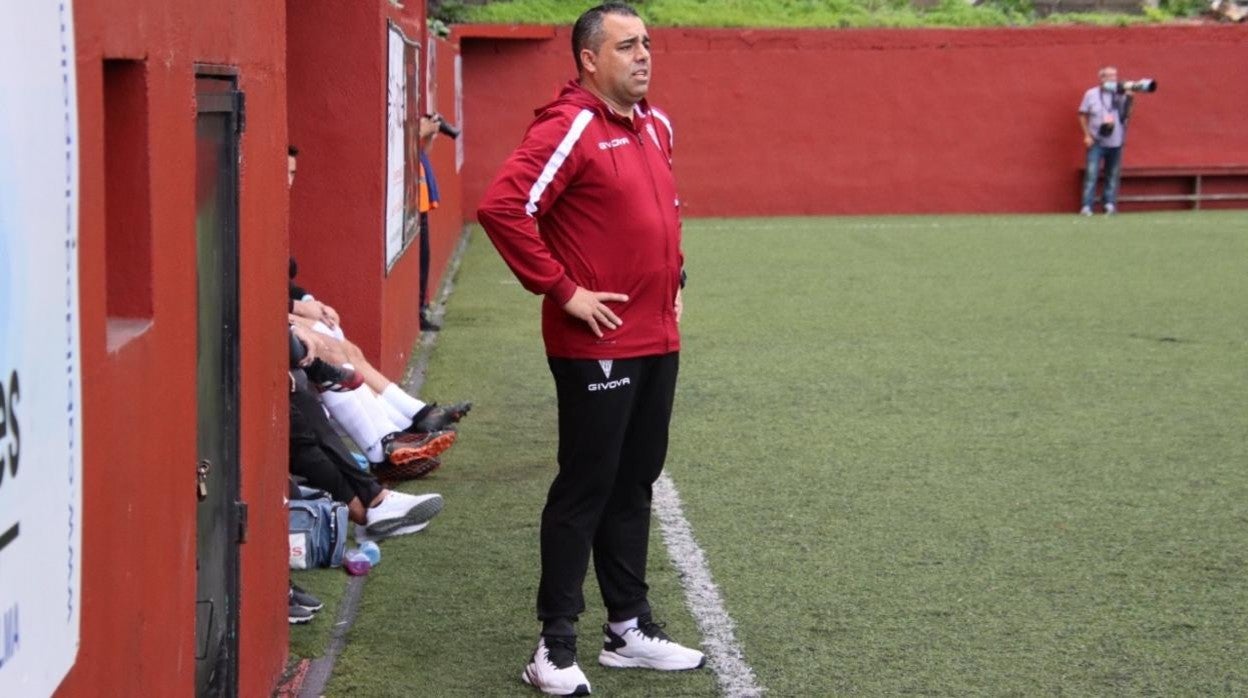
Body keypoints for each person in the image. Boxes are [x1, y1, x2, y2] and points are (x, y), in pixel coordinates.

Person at [476, 3, 703, 695]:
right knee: (586, 485)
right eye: (627, 45)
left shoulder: (655, 125)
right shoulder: (570, 125)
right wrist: (563, 290)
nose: (643, 56)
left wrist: (678, 276)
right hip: (595, 344)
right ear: (588, 59)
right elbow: (504, 208)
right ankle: (554, 645)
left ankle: (627, 629)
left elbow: (661, 214)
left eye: (647, 44)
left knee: (635, 481)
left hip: (657, 335)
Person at [1078, 66, 1134, 216]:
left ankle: (1109, 204)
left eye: (1114, 76)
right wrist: (1087, 135)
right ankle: (1087, 206)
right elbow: (1082, 114)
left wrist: (1130, 97)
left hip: (1116, 142)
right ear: (1101, 78)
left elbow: (1126, 115)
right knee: (1091, 174)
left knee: (1112, 175)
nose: (1112, 79)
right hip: (1096, 140)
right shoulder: (1091, 94)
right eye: (1108, 76)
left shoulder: (1119, 94)